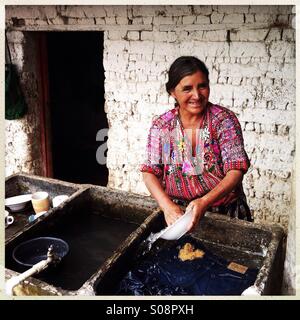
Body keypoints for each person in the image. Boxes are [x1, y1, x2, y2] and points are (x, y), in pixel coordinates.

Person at [140, 56, 252, 231]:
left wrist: (204, 201)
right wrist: (167, 207)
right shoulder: (163, 126)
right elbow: (150, 172)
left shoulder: (223, 121)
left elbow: (235, 170)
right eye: (187, 89)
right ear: (172, 92)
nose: (197, 95)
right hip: (178, 216)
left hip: (224, 214)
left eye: (202, 86)